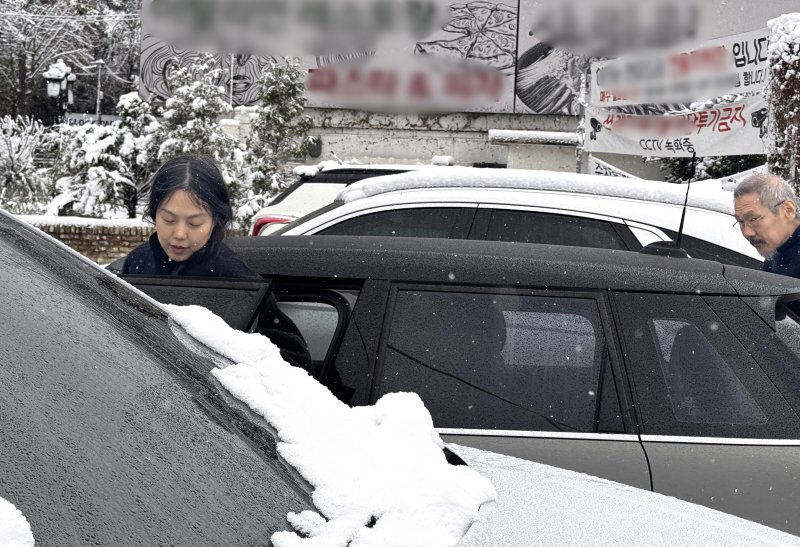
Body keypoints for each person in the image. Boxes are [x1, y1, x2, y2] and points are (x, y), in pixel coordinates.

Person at [109, 154, 311, 369]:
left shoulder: (237, 280)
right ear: (154, 213)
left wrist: (233, 359)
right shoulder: (138, 262)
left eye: (195, 223)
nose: (179, 233)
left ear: (216, 219)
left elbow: (296, 361)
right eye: (168, 219)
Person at [733, 173, 800, 278]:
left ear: (788, 210)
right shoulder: (778, 250)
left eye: (753, 219)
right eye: (741, 222)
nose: (747, 232)